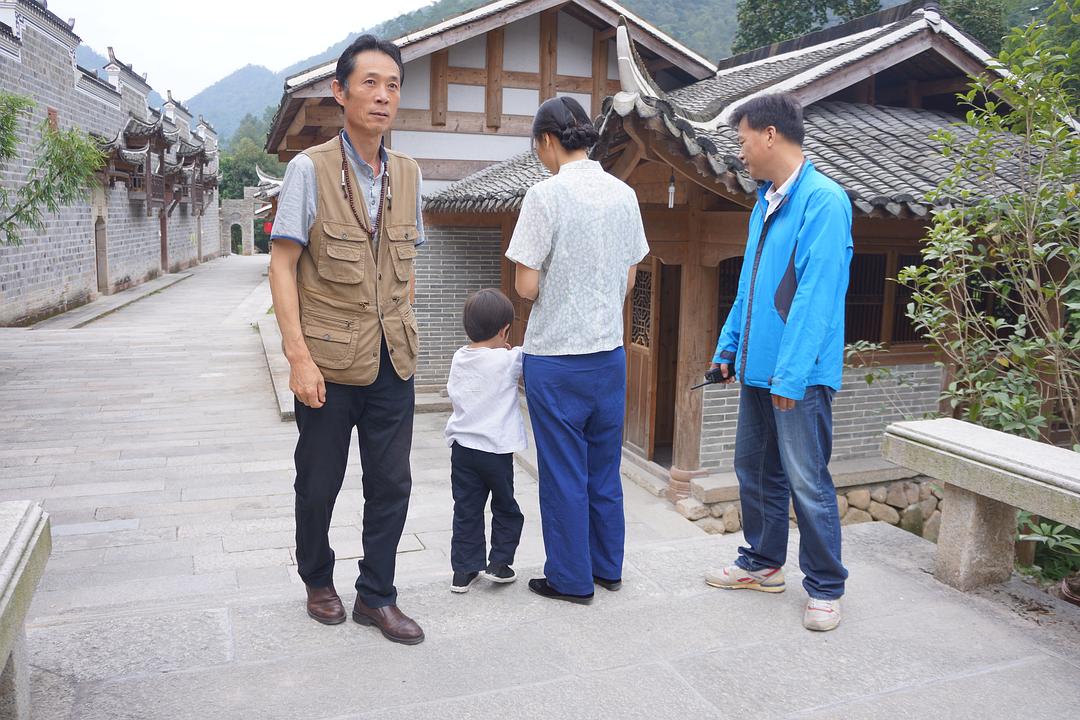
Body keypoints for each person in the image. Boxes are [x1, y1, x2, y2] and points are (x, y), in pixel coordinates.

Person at [267, 34, 426, 645]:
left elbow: (408, 268)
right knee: (318, 483)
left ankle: (377, 596)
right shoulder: (308, 170)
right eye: (370, 83)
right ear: (340, 92)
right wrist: (297, 357)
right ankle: (317, 579)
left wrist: (404, 325)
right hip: (328, 363)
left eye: (393, 85)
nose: (383, 96)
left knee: (392, 483)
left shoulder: (408, 174)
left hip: (393, 360)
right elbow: (283, 265)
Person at [703, 93, 853, 632]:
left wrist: (790, 375)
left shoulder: (824, 201)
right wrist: (728, 348)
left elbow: (816, 296)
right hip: (758, 368)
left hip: (799, 376)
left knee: (807, 480)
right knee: (755, 471)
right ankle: (763, 563)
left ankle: (826, 586)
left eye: (742, 139)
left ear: (770, 135)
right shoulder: (765, 202)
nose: (739, 151)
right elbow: (749, 286)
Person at [505, 96, 649, 605]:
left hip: (556, 358)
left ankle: (570, 578)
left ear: (547, 140)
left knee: (563, 472)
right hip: (608, 354)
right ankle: (608, 567)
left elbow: (526, 287)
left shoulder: (544, 196)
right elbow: (629, 280)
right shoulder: (624, 194)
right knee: (603, 469)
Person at [444, 289, 527, 594]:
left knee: (466, 508)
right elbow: (530, 353)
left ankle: (463, 571)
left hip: (462, 450)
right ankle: (499, 564)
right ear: (505, 330)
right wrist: (506, 350)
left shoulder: (460, 357)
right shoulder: (509, 359)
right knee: (505, 507)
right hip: (495, 451)